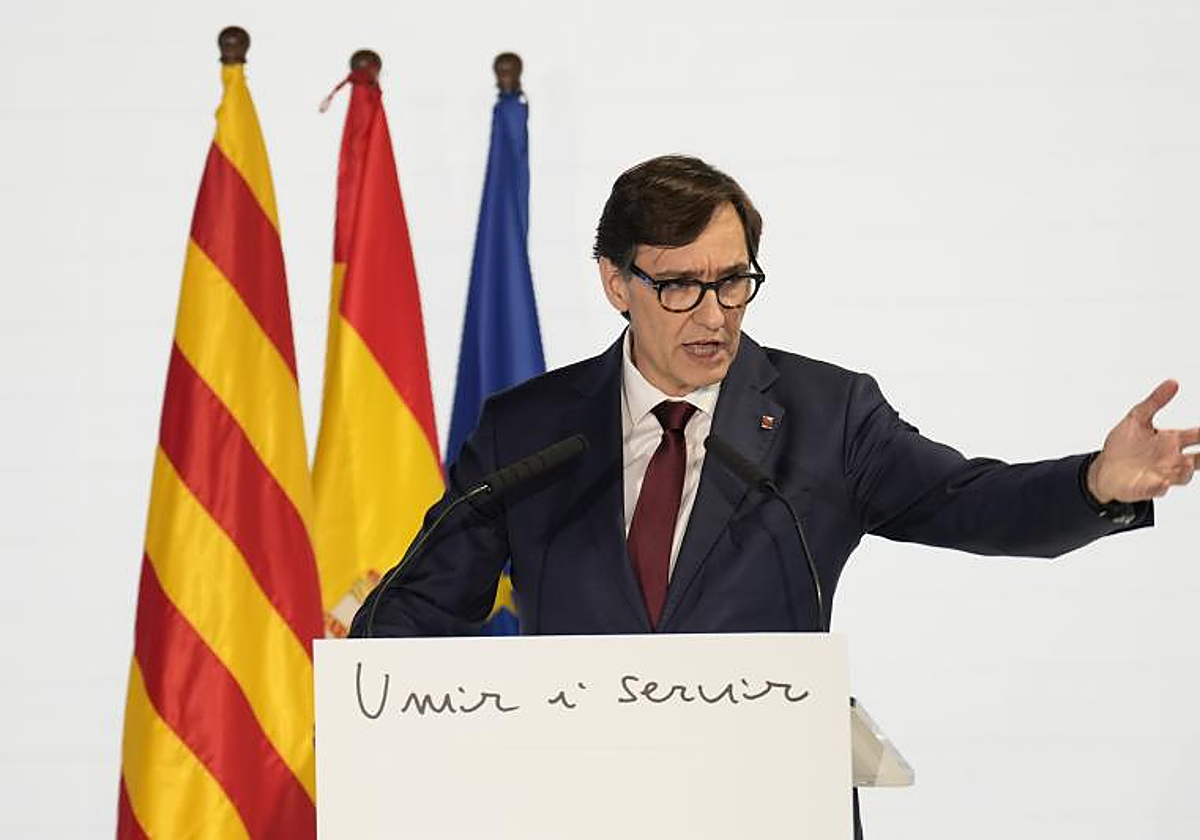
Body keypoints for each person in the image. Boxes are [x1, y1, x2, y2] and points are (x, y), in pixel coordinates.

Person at [350, 154, 1196, 838]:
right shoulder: (528, 429)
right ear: (617, 282)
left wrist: (1094, 484)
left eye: (735, 281)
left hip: (772, 809)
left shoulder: (827, 416)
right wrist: (368, 649)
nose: (714, 315)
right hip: (580, 808)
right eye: (680, 285)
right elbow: (425, 616)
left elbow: (971, 501)